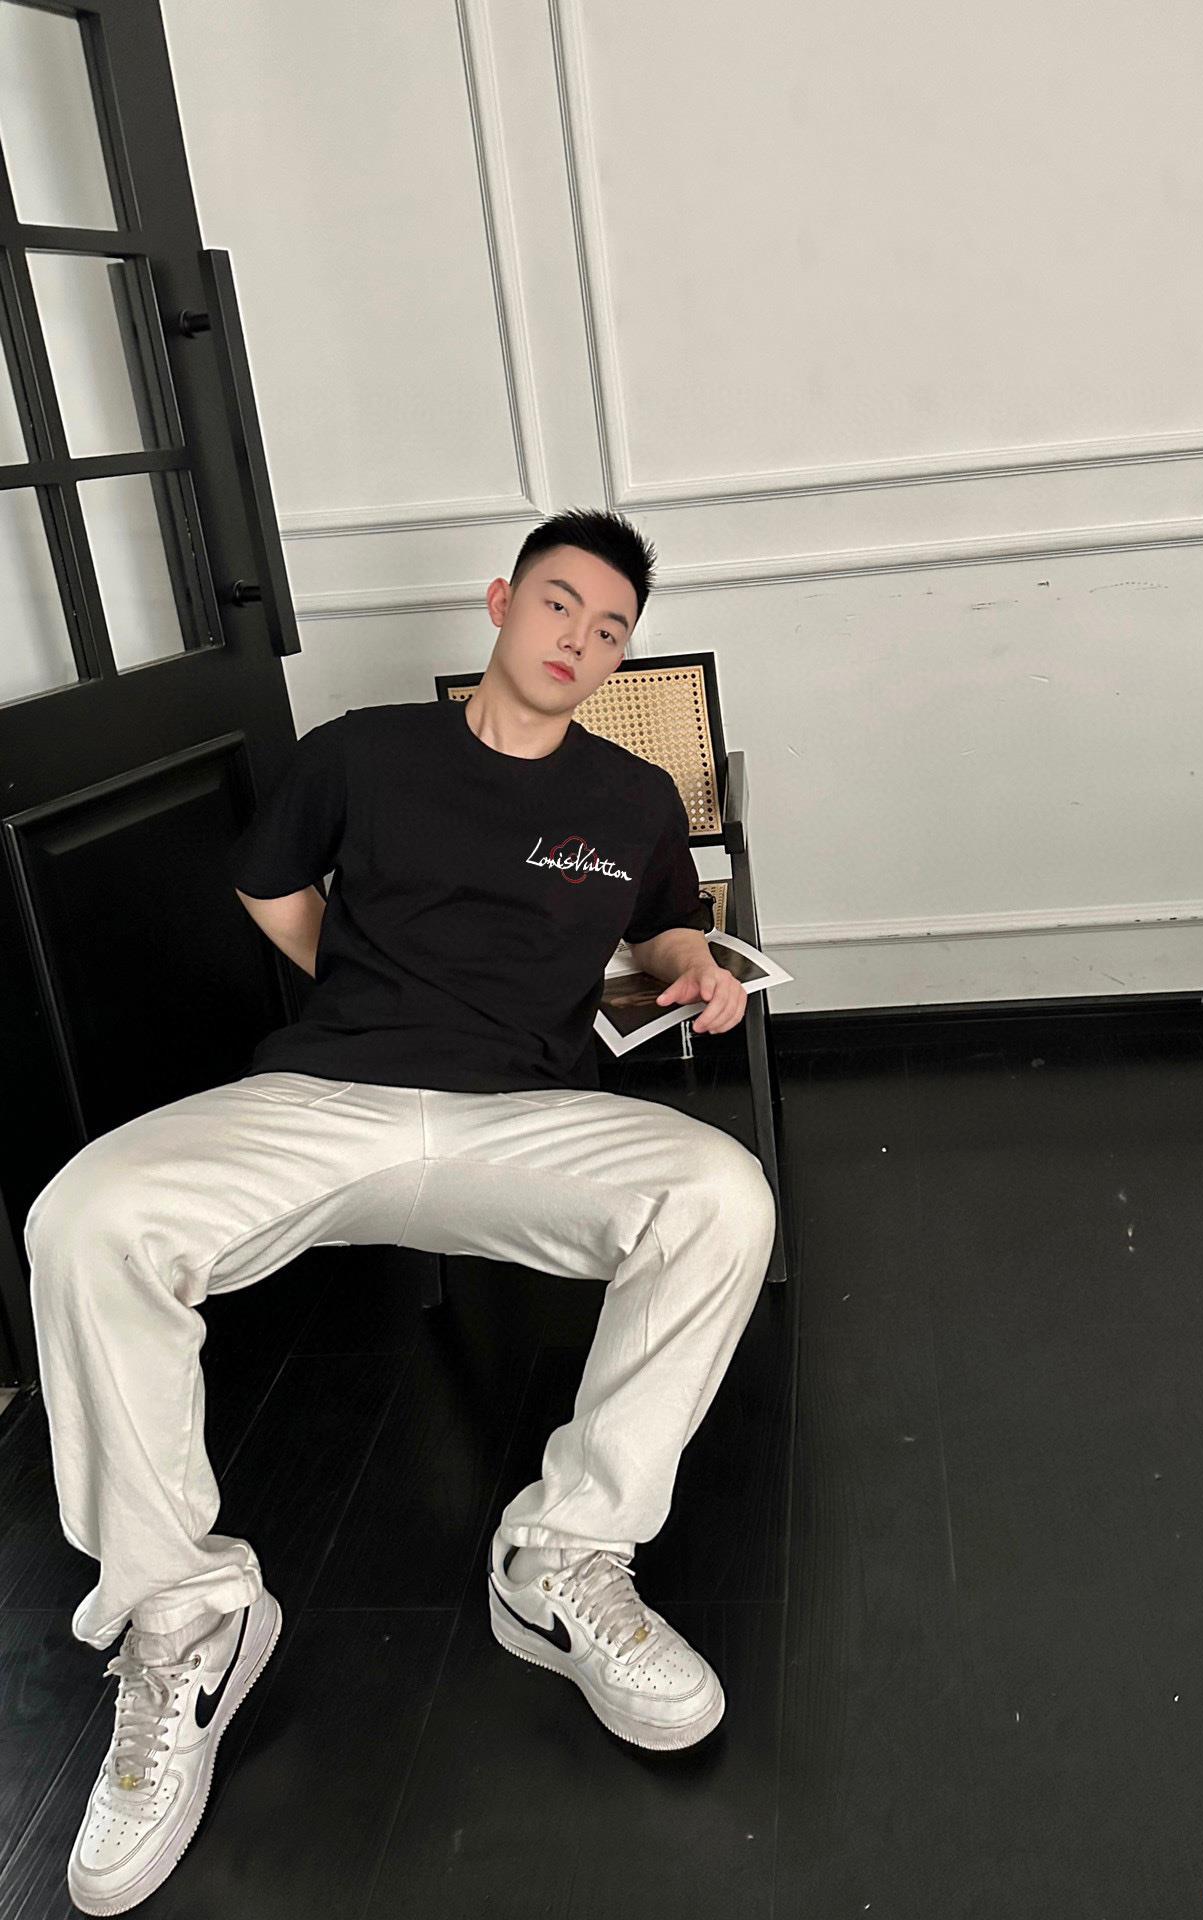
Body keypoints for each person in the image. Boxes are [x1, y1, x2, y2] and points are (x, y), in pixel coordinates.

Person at [23, 507, 777, 1915]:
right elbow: (268, 886)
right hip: (329, 1096)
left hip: (525, 1116)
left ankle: (564, 1561)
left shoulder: (628, 798)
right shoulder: (362, 751)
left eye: (611, 628)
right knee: (85, 1217)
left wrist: (700, 965)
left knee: (722, 1195)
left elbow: (664, 922)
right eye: (560, 604)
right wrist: (374, 996)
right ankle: (184, 1621)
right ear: (502, 603)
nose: (580, 639)